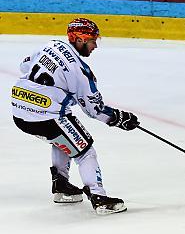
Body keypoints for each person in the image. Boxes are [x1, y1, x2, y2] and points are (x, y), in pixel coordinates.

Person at [11, 18, 139, 215]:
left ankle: (61, 186)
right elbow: (94, 110)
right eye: (92, 41)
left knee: (61, 139)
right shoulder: (79, 71)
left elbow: (24, 66)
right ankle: (99, 197)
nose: (95, 45)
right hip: (46, 117)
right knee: (85, 150)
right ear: (79, 40)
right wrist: (118, 118)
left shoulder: (51, 45)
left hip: (20, 111)